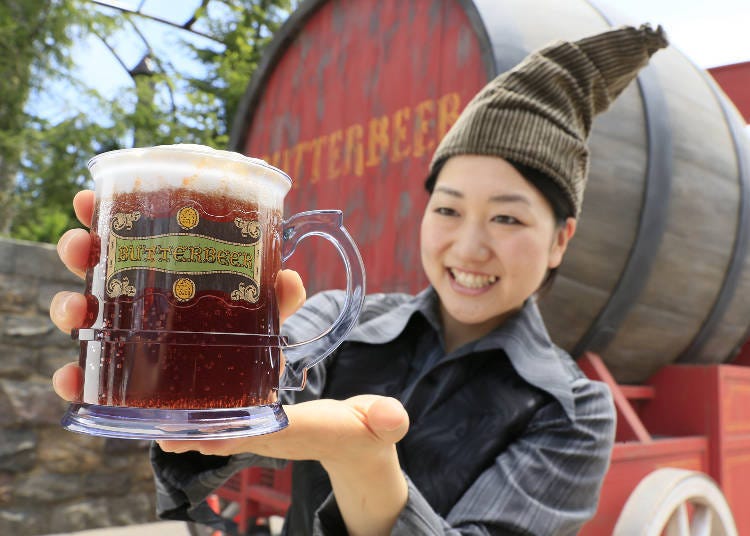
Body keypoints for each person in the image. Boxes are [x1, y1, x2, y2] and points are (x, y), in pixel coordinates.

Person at [50, 24, 668, 536]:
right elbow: (275, 372)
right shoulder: (347, 315)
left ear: (561, 238)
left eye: (507, 217)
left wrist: (364, 460)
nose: (469, 245)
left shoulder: (575, 410)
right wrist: (188, 371)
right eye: (448, 209)